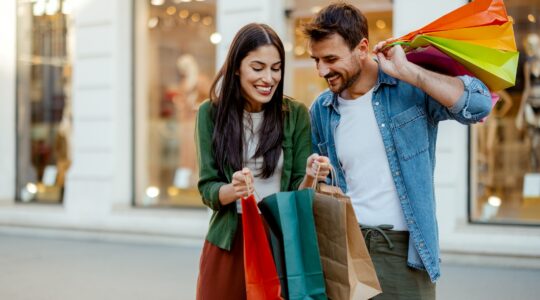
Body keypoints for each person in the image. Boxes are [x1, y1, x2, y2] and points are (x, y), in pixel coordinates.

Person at [304, 3, 492, 299]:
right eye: (316, 60)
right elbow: (323, 188)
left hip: (404, 255)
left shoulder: (408, 89)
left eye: (330, 59)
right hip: (346, 252)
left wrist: (412, 73)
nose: (321, 70)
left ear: (362, 47)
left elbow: (479, 105)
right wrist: (314, 175)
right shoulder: (322, 109)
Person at [195, 23, 329, 299]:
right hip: (229, 244)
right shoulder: (210, 113)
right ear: (236, 67)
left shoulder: (295, 114)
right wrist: (234, 189)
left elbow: (297, 192)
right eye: (258, 68)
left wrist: (310, 174)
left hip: (279, 242)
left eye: (276, 68)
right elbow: (207, 189)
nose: (268, 78)